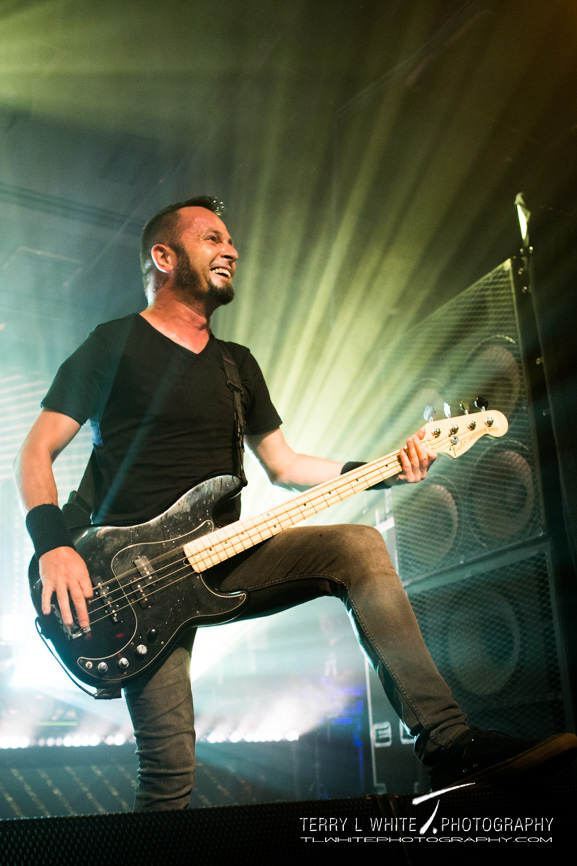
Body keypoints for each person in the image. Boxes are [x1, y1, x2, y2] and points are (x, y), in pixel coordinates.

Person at [14, 196, 576, 810]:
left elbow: (284, 466)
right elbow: (36, 451)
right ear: (164, 257)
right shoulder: (112, 344)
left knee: (357, 546)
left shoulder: (237, 365)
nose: (231, 250)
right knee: (169, 775)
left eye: (231, 240)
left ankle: (446, 740)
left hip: (220, 557)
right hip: (128, 580)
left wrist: (389, 469)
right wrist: (54, 548)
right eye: (211, 238)